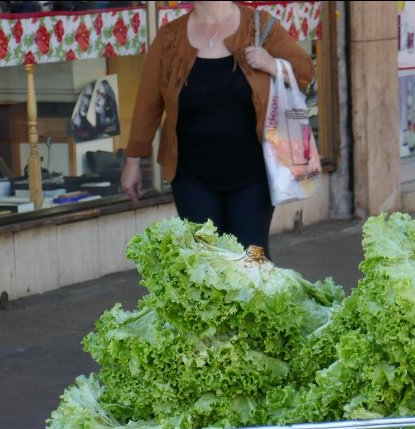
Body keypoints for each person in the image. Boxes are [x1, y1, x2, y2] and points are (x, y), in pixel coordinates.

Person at [120, 1, 314, 251]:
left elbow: (305, 71)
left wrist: (270, 64)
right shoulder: (170, 37)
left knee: (251, 262)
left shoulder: (259, 26)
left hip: (253, 173)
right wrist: (133, 161)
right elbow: (148, 102)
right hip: (191, 174)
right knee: (205, 262)